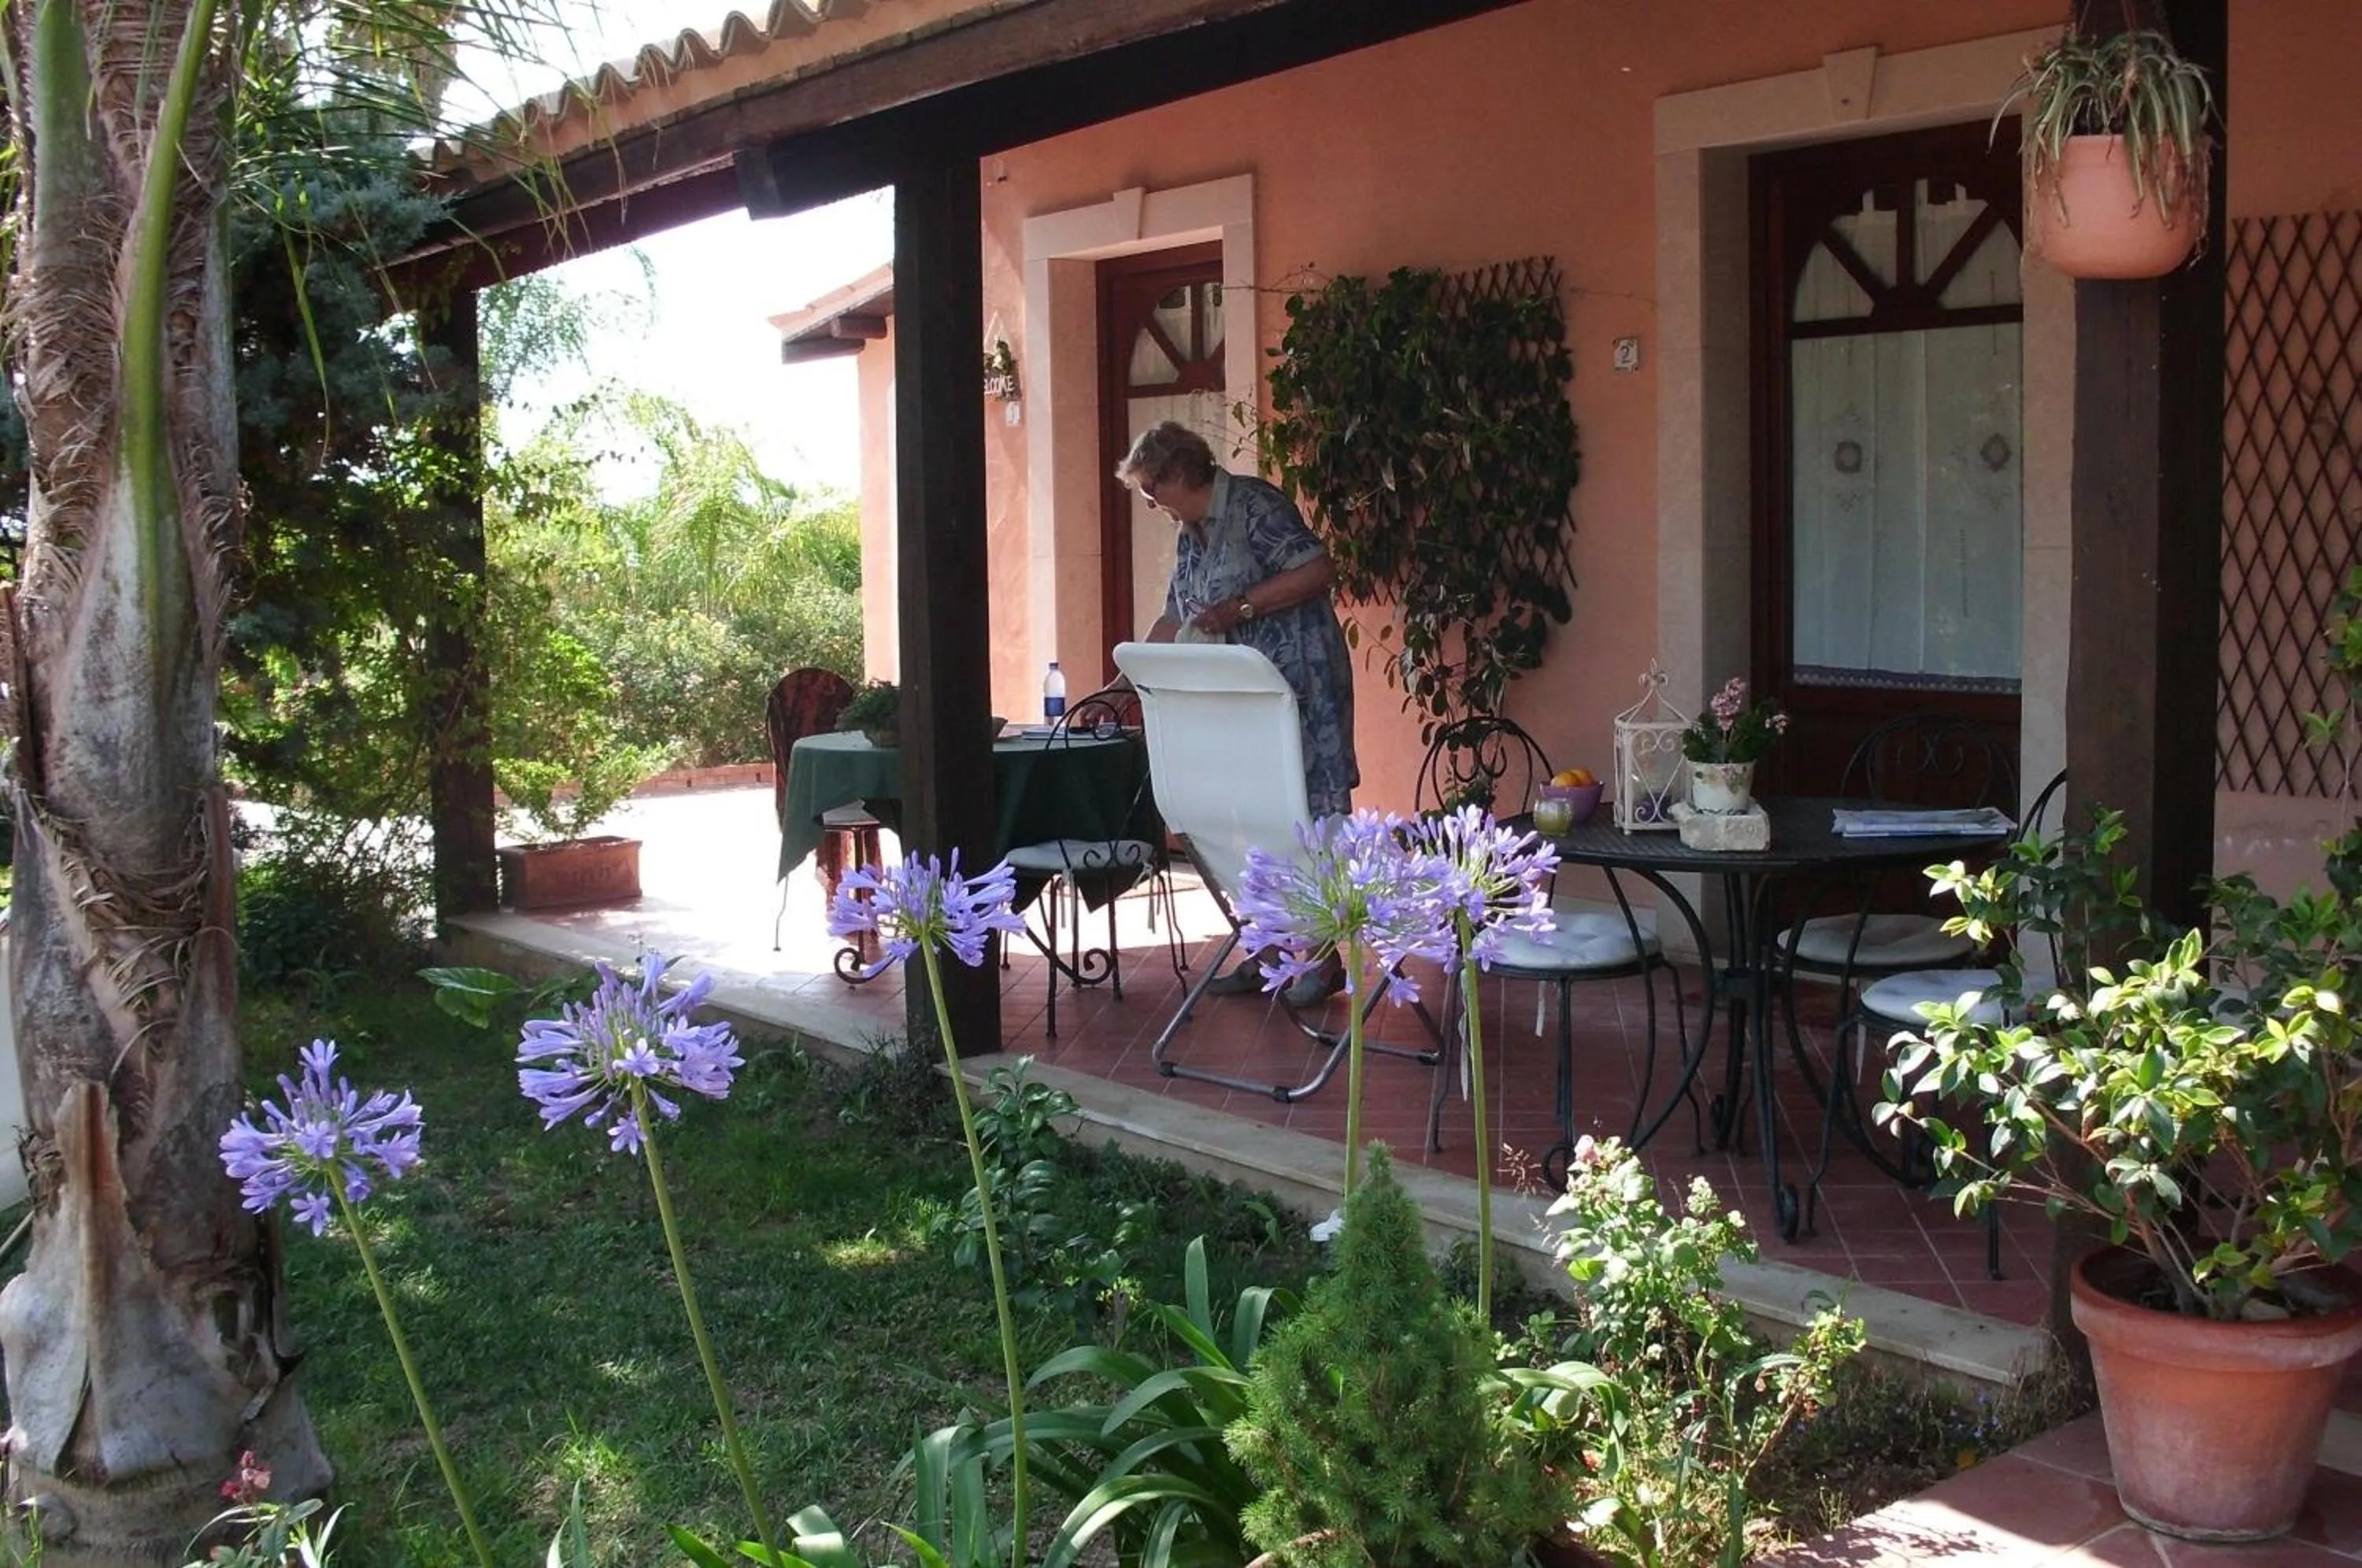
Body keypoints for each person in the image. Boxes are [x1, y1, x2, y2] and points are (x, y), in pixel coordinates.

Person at [1116, 420, 1356, 1006]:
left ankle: (1324, 961)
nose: (1149, 502)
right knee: (1239, 817)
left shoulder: (1255, 506)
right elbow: (1177, 614)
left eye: (1152, 488)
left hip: (1301, 688)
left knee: (1308, 818)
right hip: (1240, 703)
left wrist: (1243, 606)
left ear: (1177, 474)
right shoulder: (1190, 532)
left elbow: (1320, 569)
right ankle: (1269, 952)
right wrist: (1124, 682)